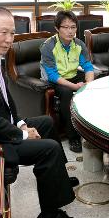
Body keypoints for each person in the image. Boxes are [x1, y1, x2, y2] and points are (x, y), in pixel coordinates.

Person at [0, 7, 86, 218]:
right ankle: (50, 217)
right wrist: (22, 135)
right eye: (3, 32)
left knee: (46, 123)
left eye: (12, 33)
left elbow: (6, 102)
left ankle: (60, 180)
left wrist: (20, 123)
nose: (9, 39)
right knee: (48, 149)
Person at [40, 11, 94, 153]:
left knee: (95, 86)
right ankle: (73, 137)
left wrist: (89, 83)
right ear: (57, 28)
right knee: (67, 93)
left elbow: (88, 66)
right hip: (56, 80)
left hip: (74, 75)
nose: (70, 31)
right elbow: (51, 75)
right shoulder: (48, 46)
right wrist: (75, 86)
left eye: (73, 27)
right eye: (66, 27)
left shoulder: (79, 44)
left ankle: (91, 131)